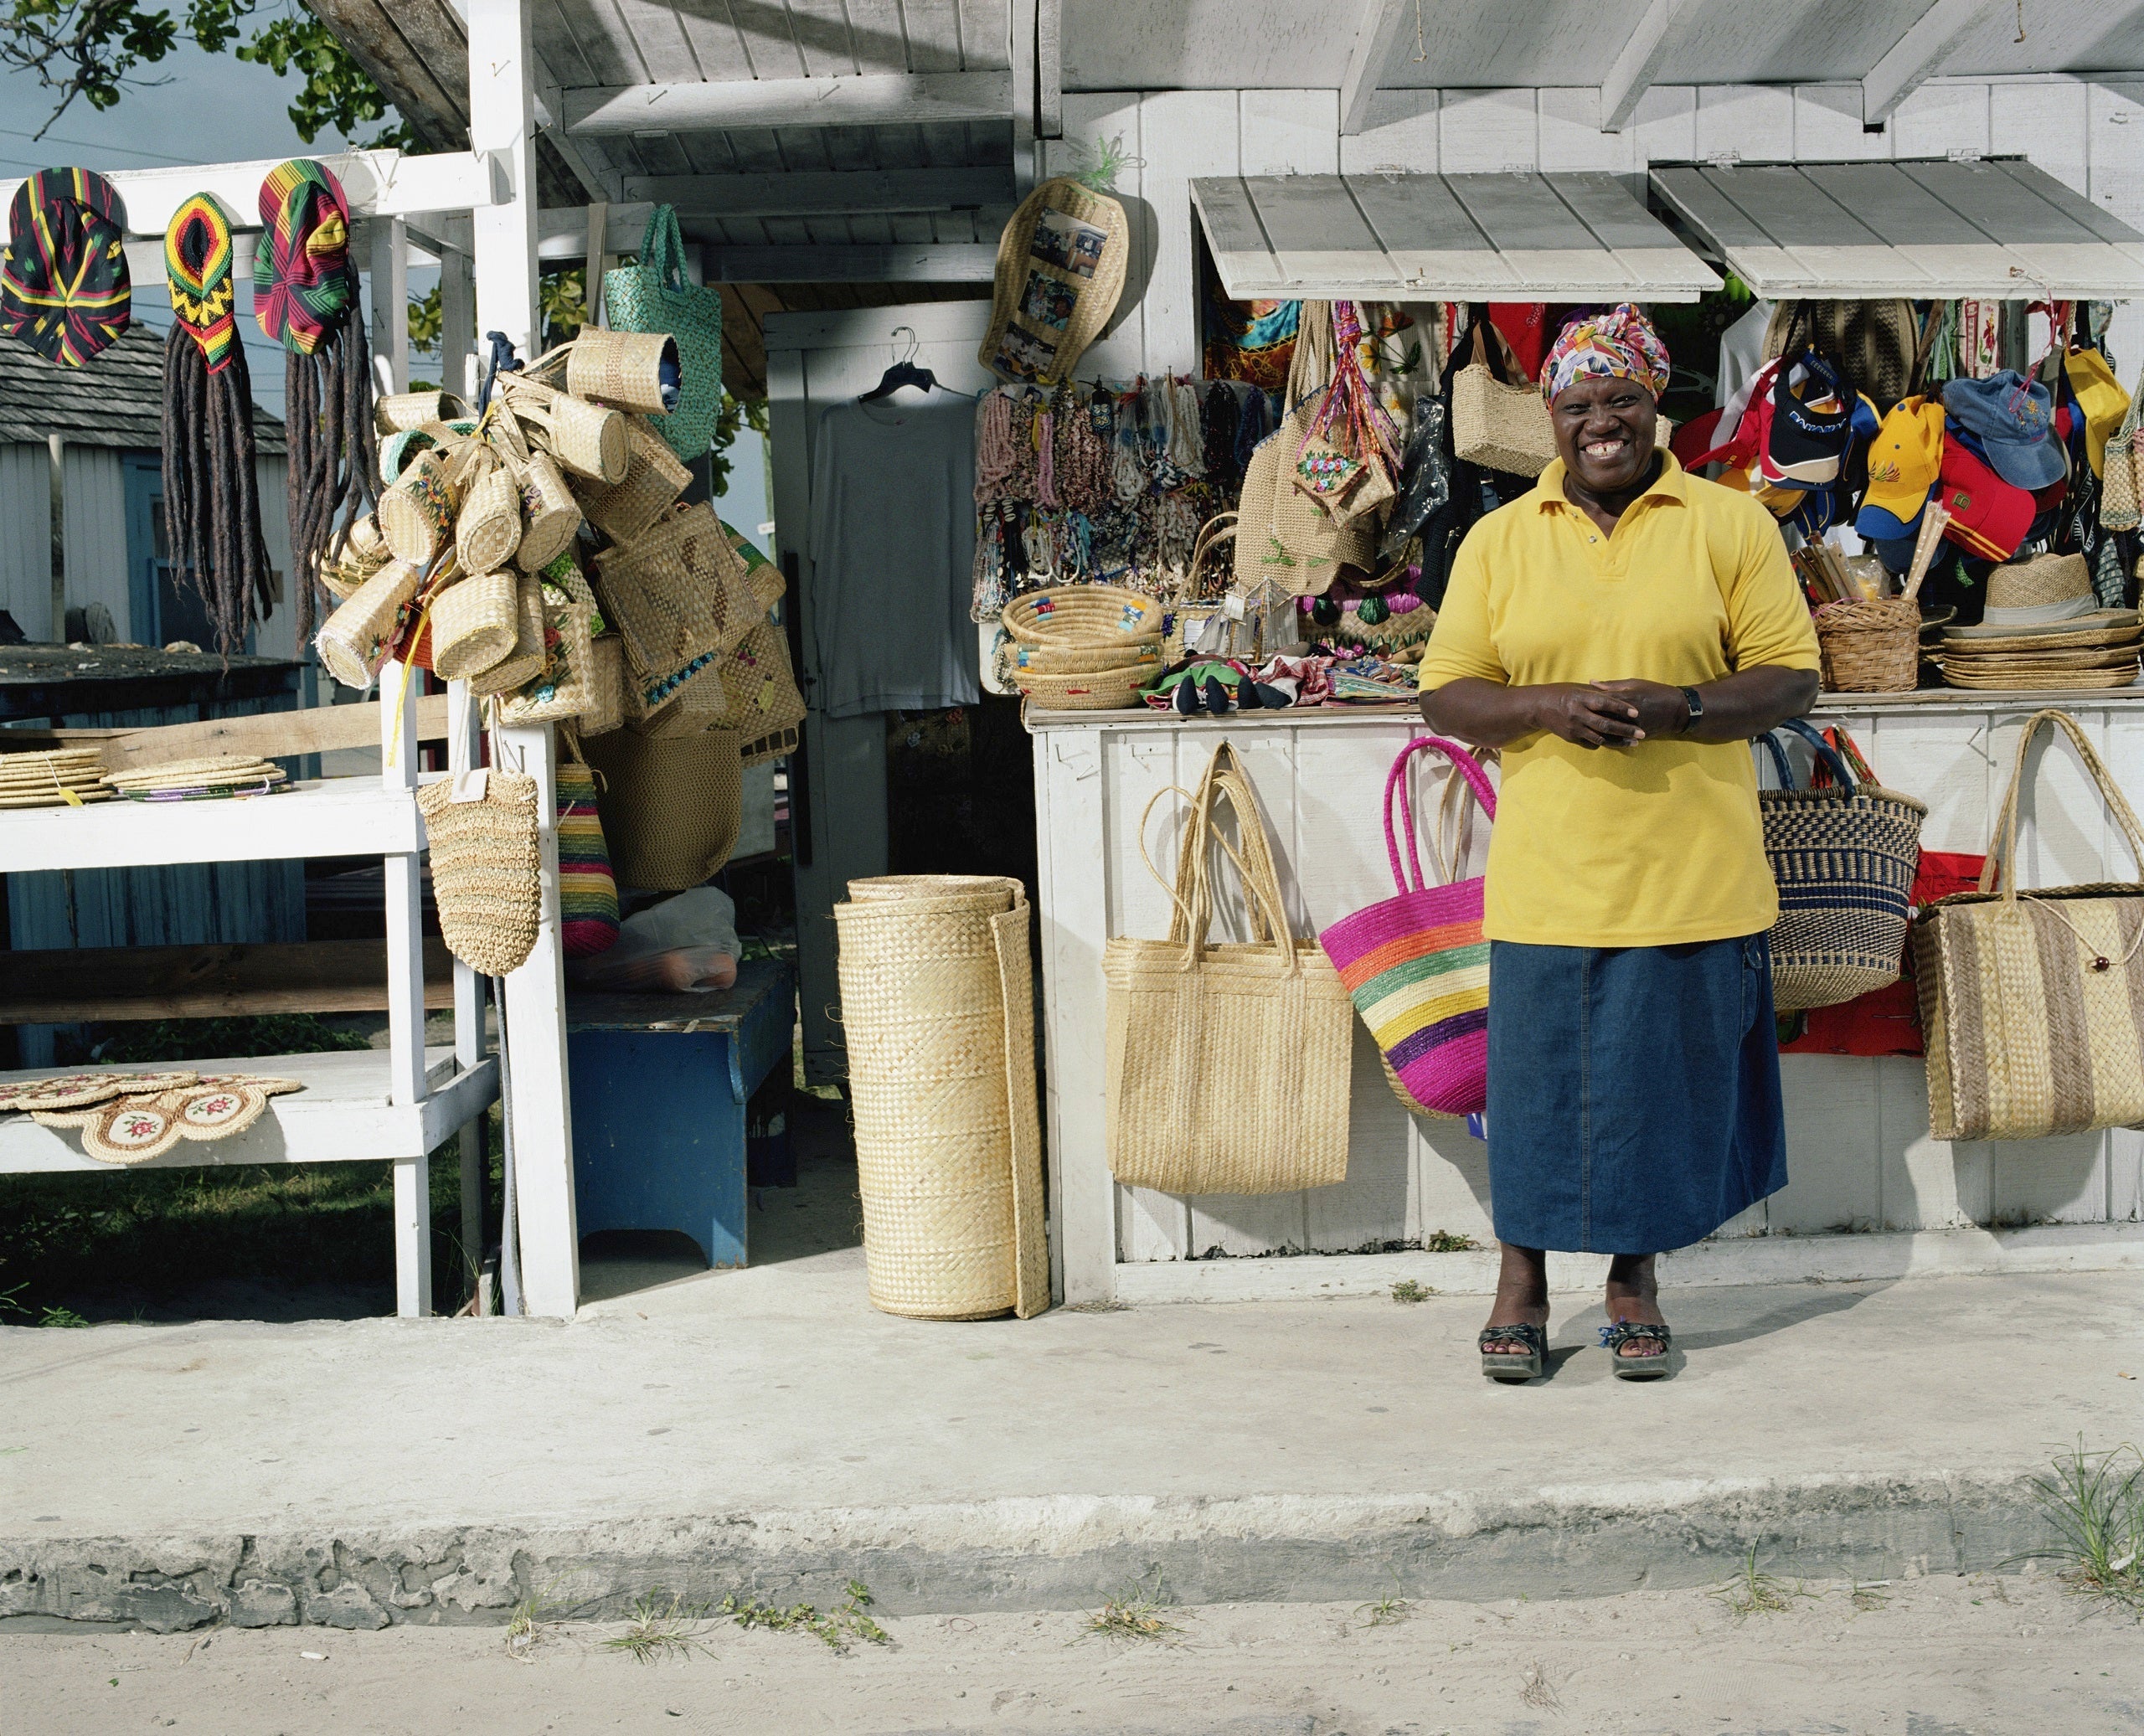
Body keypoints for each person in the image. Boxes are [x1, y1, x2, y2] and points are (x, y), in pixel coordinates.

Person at [1415, 304, 1820, 1383]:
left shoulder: (1730, 525)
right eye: (1578, 403)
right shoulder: (1499, 539)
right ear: (1551, 417)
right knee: (1539, 1094)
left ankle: (1633, 1285)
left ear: (1658, 407)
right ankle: (1521, 1284)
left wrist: (1684, 706)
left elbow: (1790, 677)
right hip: (1551, 875)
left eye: (1622, 399)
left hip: (1690, 869)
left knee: (1647, 1094)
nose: (1602, 421)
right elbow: (1445, 695)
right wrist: (1541, 707)